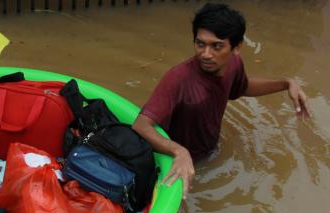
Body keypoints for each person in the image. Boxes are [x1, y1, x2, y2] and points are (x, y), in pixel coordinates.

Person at [131, 3, 312, 199]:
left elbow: (241, 87)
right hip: (177, 163)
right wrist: (179, 151)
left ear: (237, 47)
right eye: (200, 44)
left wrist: (286, 83)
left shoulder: (234, 64)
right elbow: (141, 125)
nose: (206, 54)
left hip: (209, 152)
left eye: (217, 46)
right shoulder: (178, 79)